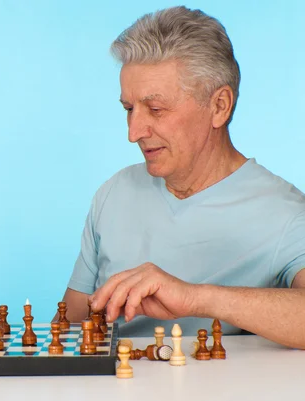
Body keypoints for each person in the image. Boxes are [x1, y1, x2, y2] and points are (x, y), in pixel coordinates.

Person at [62, 6, 305, 348]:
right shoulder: (113, 193)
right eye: (128, 109)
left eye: (156, 109)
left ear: (219, 106)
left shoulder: (286, 214)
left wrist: (194, 299)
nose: (134, 132)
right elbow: (69, 327)